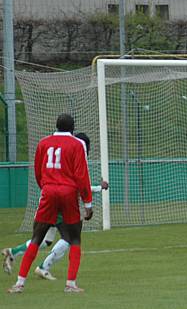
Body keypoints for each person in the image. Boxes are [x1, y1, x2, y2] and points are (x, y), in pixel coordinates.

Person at [2, 133, 108, 279]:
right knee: (68, 237)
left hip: (48, 202)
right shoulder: (74, 156)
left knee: (45, 240)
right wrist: (99, 188)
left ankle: (13, 253)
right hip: (59, 206)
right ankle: (43, 268)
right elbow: (79, 186)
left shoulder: (62, 153)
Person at [7, 114, 93, 293]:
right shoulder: (77, 144)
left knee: (37, 238)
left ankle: (19, 283)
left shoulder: (44, 143)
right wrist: (88, 203)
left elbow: (38, 171)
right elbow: (81, 175)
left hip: (48, 191)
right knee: (74, 238)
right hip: (69, 193)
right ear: (72, 128)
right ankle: (70, 284)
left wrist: (46, 187)